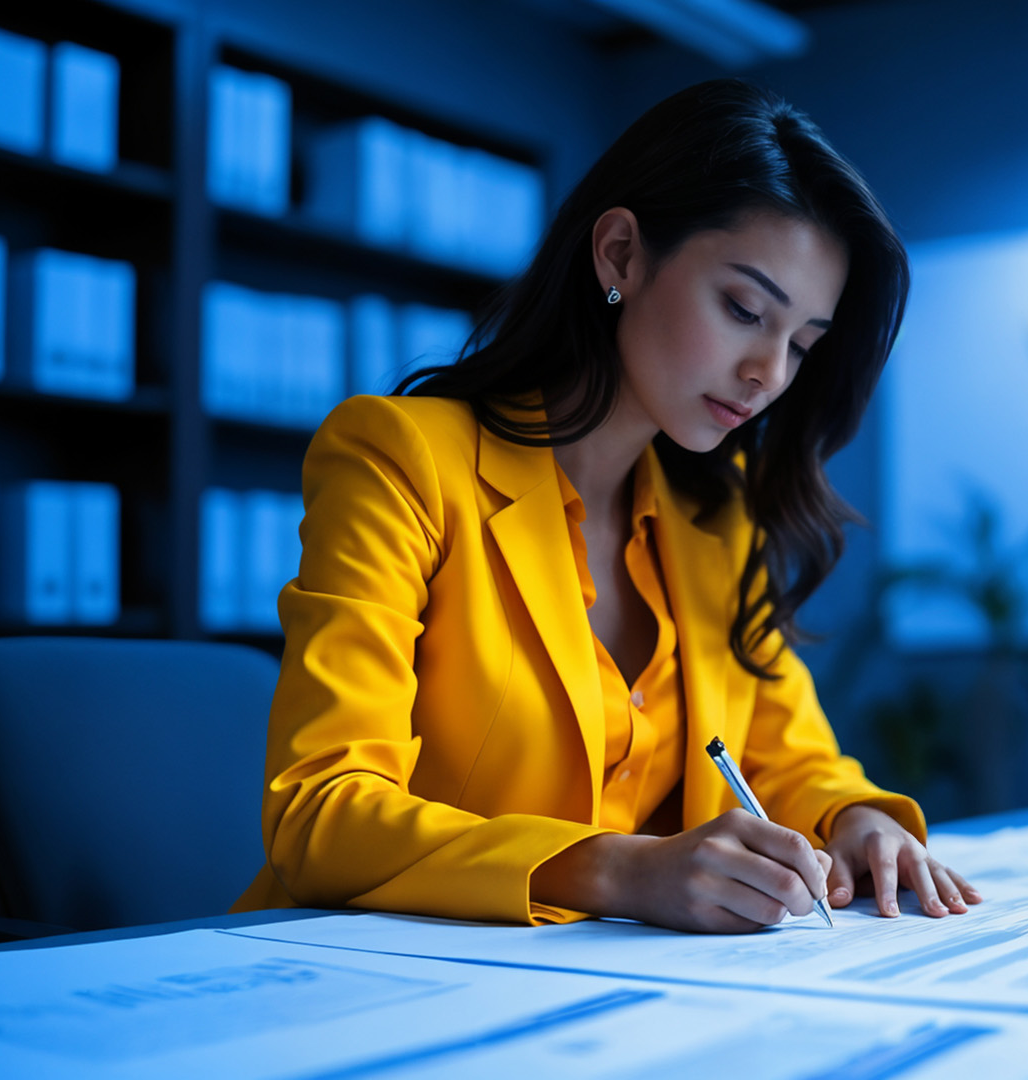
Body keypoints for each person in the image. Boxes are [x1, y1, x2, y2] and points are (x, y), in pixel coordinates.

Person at [232, 79, 979, 932]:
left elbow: (791, 760)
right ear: (621, 254)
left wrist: (858, 822)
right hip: (365, 980)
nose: (769, 372)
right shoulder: (402, 457)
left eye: (803, 345)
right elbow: (320, 811)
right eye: (743, 309)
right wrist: (624, 873)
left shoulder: (714, 525)